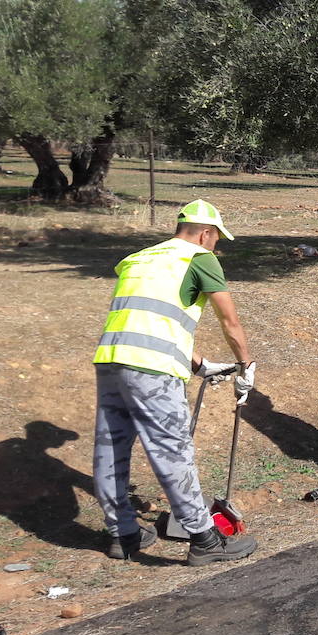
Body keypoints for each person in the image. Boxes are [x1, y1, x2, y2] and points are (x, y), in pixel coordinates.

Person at [92, 199, 259, 565]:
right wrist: (245, 364)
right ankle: (204, 539)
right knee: (172, 450)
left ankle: (123, 534)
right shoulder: (199, 258)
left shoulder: (140, 258)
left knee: (111, 447)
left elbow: (151, 322)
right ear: (205, 234)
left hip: (111, 361)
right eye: (217, 240)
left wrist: (200, 364)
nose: (216, 247)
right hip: (153, 371)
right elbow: (229, 322)